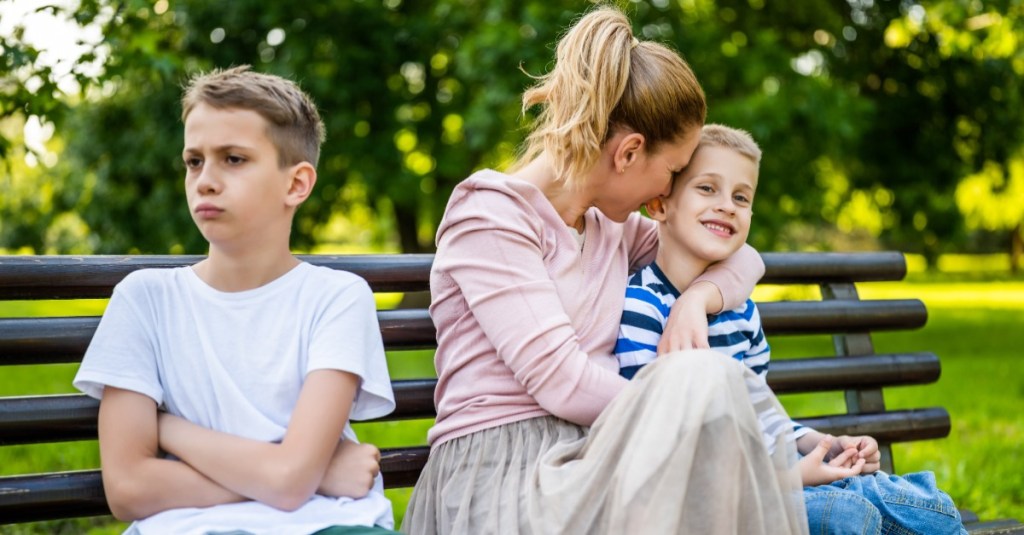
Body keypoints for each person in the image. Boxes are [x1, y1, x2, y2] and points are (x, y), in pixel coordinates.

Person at [404, 6, 808, 535]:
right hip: (502, 477)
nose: (668, 192)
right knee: (705, 383)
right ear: (629, 153)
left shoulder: (609, 228)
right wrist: (703, 421)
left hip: (596, 455)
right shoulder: (491, 217)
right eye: (673, 172)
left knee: (710, 390)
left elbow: (740, 257)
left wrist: (697, 299)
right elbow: (562, 382)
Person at [73, 66, 399, 535]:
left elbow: (290, 483)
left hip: (325, 524)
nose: (205, 180)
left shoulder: (337, 298)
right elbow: (129, 489)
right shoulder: (144, 300)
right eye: (194, 161)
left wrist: (169, 429)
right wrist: (314, 476)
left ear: (296, 184)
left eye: (233, 159)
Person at [614, 124, 967, 535]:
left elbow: (764, 417)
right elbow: (658, 454)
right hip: (718, 506)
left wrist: (826, 446)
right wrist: (790, 479)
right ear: (659, 204)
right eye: (707, 188)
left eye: (741, 197)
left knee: (934, 509)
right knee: (850, 516)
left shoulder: (741, 313)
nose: (727, 205)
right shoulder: (643, 306)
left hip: (777, 481)